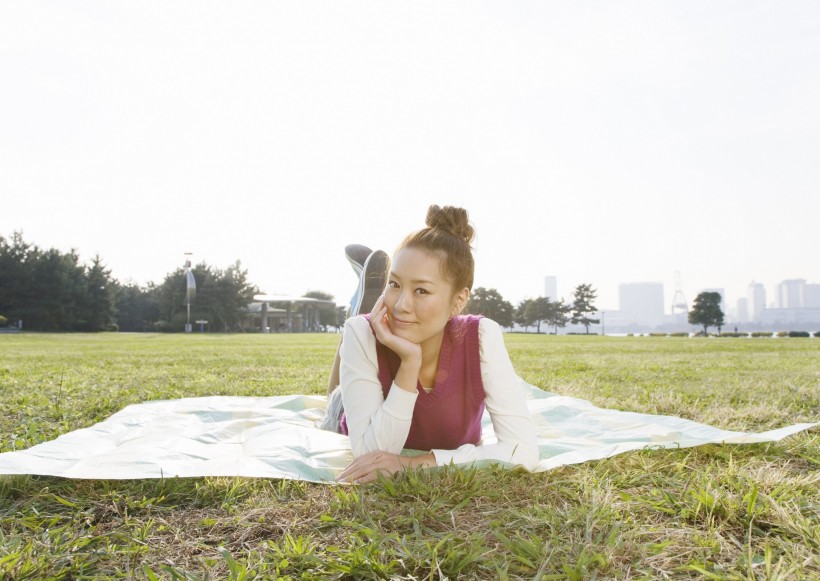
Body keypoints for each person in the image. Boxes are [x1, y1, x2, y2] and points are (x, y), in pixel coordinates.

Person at [325, 205, 539, 484]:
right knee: (335, 396)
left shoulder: (482, 337)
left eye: (421, 290)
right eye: (394, 284)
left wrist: (413, 463)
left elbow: (523, 451)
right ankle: (359, 307)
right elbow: (372, 455)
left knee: (360, 338)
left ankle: (366, 298)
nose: (401, 305)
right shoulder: (362, 333)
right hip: (348, 414)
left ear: (459, 300)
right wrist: (408, 365)